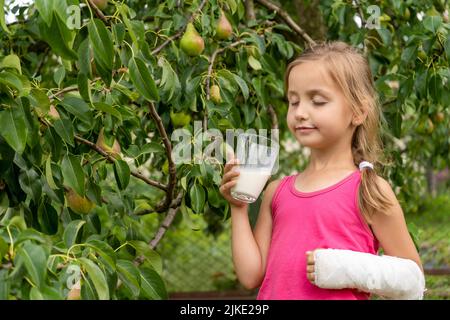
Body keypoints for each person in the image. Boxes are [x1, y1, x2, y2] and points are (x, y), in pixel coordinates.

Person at [219, 41, 423, 300]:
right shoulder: (276, 191)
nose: (300, 113)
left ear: (358, 111)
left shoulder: (369, 191)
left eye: (317, 101)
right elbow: (250, 276)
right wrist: (239, 208)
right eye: (293, 102)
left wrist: (346, 268)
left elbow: (412, 280)